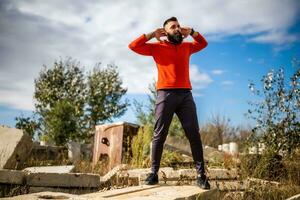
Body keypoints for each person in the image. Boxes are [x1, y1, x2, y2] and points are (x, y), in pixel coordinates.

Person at [128, 17, 210, 190]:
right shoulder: (157, 47)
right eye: (173, 27)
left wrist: (193, 32)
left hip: (186, 95)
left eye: (179, 26)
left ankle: (201, 175)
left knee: (194, 135)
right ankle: (154, 174)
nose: (178, 29)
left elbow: (203, 43)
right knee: (159, 135)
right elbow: (133, 46)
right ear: (165, 32)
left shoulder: (187, 46)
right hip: (165, 94)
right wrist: (151, 34)